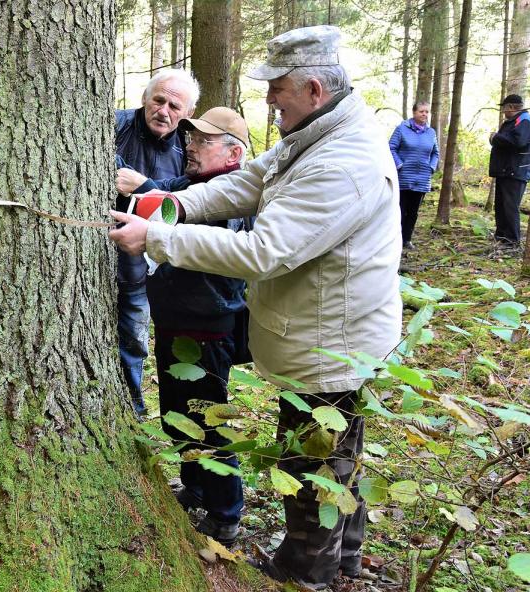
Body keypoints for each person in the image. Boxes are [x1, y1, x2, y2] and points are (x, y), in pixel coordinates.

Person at [108, 25, 402, 590]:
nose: (269, 98)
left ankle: (304, 572)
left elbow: (265, 251)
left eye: (279, 88)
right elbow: (246, 183)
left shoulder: (342, 161)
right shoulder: (315, 133)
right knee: (339, 456)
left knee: (313, 460)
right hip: (327, 332)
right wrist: (172, 204)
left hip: (333, 344)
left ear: (314, 89)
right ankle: (344, 560)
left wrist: (158, 238)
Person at [119, 107, 250, 545]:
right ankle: (196, 488)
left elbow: (212, 238)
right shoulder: (191, 184)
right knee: (178, 414)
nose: (189, 146)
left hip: (208, 328)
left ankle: (225, 514)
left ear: (233, 153)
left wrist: (151, 198)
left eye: (202, 141)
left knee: (209, 418)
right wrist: (144, 186)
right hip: (176, 322)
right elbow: (168, 196)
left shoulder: (233, 193)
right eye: (190, 139)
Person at [114, 69, 200, 417]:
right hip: (90, 257)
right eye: (158, 100)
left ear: (188, 113)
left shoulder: (188, 146)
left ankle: (132, 410)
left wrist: (145, 185)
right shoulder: (115, 125)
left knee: (135, 340)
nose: (164, 111)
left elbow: (192, 191)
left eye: (174, 106)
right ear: (145, 99)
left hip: (148, 265)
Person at [388, 101, 439, 250]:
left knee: (413, 212)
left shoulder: (431, 132)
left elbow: (435, 153)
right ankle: (395, 239)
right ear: (414, 112)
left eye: (426, 112)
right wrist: (400, 165)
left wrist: (431, 167)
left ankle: (407, 239)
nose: (424, 114)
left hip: (422, 179)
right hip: (404, 177)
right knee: (400, 209)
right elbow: (391, 148)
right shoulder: (402, 129)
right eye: (421, 111)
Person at [489, 94, 530, 247]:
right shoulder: (513, 121)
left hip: (515, 171)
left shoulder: (524, 120)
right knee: (500, 205)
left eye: (505, 108)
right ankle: (501, 236)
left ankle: (512, 240)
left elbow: (519, 141)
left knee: (510, 206)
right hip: (504, 171)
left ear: (511, 107)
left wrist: (495, 138)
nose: (503, 112)